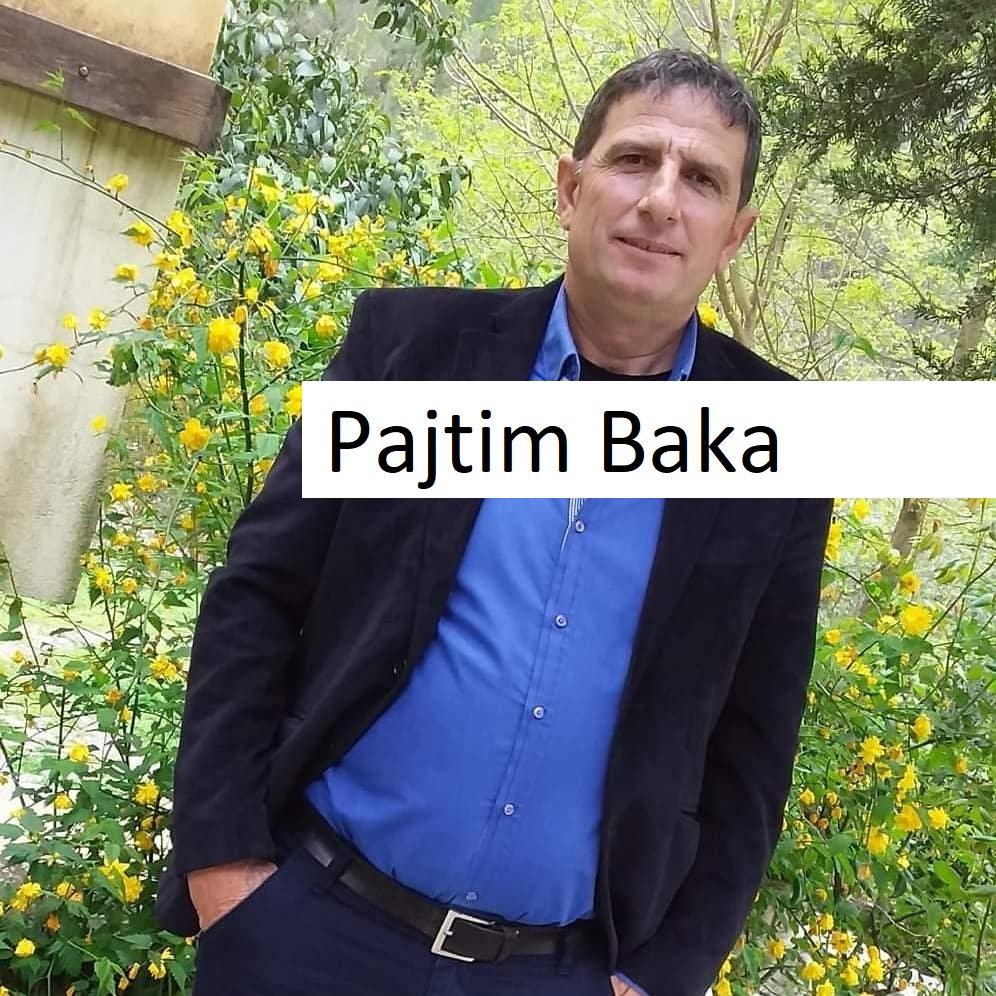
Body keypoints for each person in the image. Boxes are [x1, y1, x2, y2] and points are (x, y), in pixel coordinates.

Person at [155, 48, 832, 996]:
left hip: (556, 973)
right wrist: (225, 868)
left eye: (702, 179)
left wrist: (664, 975)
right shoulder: (412, 354)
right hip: (309, 930)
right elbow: (256, 599)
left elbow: (756, 740)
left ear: (735, 235)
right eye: (635, 159)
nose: (660, 200)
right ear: (571, 188)